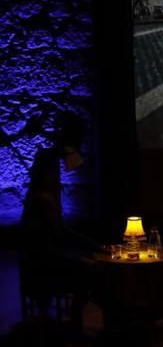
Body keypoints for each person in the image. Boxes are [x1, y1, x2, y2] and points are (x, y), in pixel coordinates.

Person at [18, 112, 103, 333]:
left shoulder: (44, 197)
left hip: (46, 259)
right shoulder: (42, 201)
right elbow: (45, 249)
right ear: (47, 174)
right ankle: (75, 325)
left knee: (91, 265)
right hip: (42, 267)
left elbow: (61, 232)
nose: (58, 179)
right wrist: (84, 257)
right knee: (91, 272)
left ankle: (77, 323)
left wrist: (94, 247)